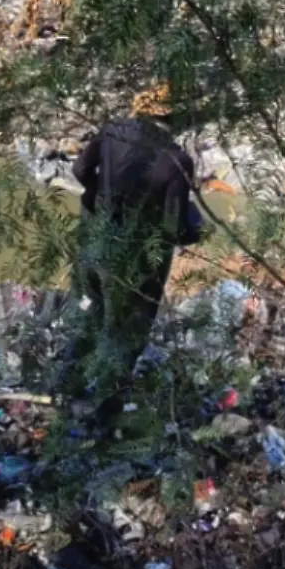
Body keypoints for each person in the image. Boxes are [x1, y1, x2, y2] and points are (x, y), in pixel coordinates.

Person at [60, 86, 203, 422]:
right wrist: (194, 229)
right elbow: (172, 227)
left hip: (93, 242)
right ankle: (103, 416)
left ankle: (66, 387)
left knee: (89, 314)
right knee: (124, 334)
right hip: (134, 264)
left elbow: (80, 171)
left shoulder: (112, 131)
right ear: (172, 118)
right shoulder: (176, 160)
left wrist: (98, 201)